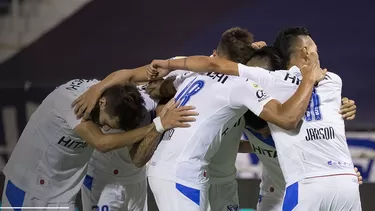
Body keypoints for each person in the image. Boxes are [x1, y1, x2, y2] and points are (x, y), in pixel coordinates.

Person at [151, 27, 362, 210]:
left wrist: (342, 106)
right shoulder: (245, 103)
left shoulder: (289, 94)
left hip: (304, 186)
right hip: (275, 193)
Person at [2, 79, 196, 211]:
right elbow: (101, 143)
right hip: (28, 188)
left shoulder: (105, 91)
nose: (103, 127)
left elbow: (138, 71)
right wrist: (158, 125)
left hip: (63, 193)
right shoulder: (72, 103)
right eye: (107, 123)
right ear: (102, 102)